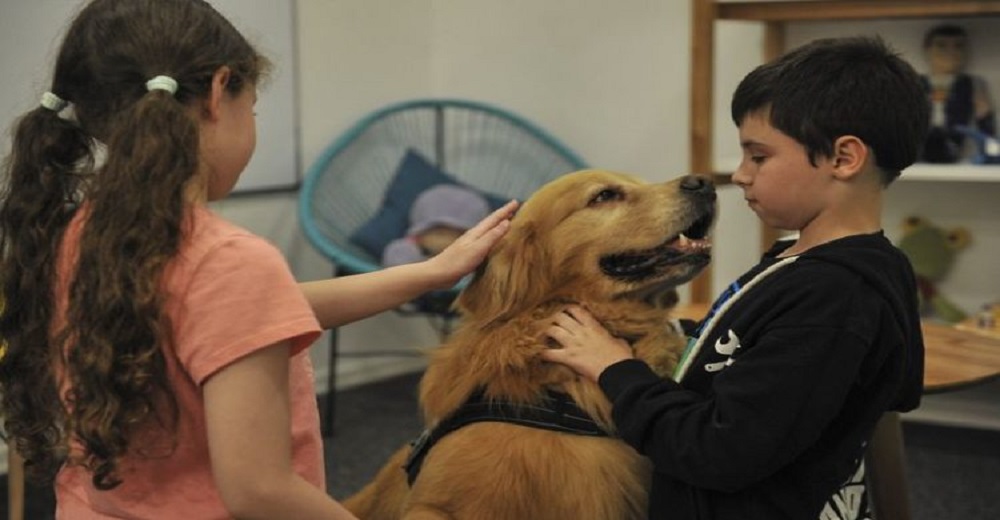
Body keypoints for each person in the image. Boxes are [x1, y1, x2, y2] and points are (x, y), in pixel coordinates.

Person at [0, 1, 515, 519]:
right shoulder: (229, 260)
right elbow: (260, 491)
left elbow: (246, 317)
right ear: (220, 91)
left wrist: (430, 273)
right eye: (254, 107)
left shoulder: (83, 233)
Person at [542, 36, 927, 520]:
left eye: (759, 157)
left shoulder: (834, 297)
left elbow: (717, 450)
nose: (741, 175)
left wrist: (614, 368)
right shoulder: (812, 262)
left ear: (843, 158)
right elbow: (752, 353)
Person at [919, 23, 996, 163]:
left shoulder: (973, 84)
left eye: (958, 46)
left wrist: (990, 153)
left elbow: (986, 125)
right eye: (941, 46)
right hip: (921, 147)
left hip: (956, 145)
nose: (951, 52)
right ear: (927, 49)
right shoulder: (915, 84)